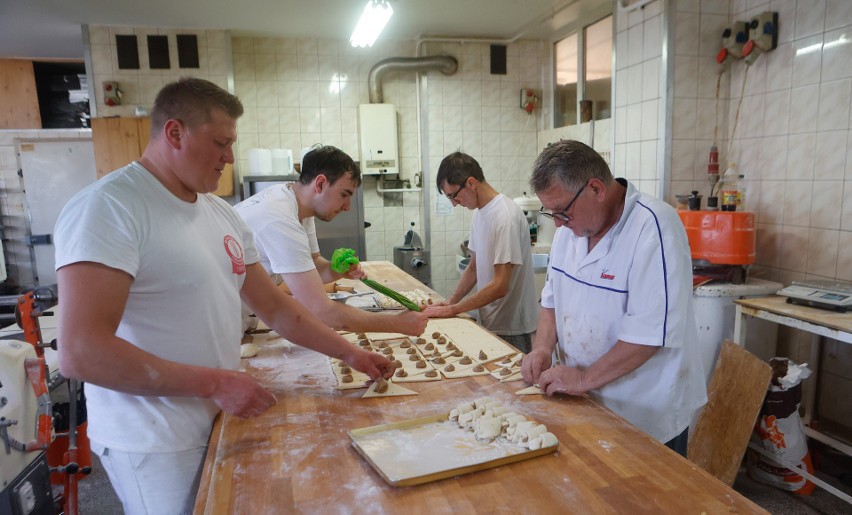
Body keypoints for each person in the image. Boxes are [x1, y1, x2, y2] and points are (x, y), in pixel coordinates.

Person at [54, 78, 395, 515]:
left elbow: (276, 309)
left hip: (217, 418)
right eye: (220, 142)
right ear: (175, 133)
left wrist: (352, 355)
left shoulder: (219, 213)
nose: (229, 157)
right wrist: (215, 382)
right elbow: (82, 352)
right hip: (155, 440)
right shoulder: (111, 207)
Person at [520, 140, 707, 456]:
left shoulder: (654, 226)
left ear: (596, 189)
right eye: (551, 213)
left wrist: (582, 378)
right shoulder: (569, 231)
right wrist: (541, 347)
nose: (557, 224)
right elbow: (552, 301)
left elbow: (649, 336)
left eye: (563, 212)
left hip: (643, 414)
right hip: (584, 400)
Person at [234, 145, 428, 336]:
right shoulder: (279, 219)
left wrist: (338, 270)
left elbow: (314, 266)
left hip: (241, 317)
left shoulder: (297, 206)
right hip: (222, 321)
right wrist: (397, 323)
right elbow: (322, 310)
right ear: (320, 184)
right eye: (344, 195)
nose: (347, 207)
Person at [423, 152, 538, 353]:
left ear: (471, 183)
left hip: (512, 327)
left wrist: (455, 310)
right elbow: (474, 267)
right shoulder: (479, 213)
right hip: (491, 320)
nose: (454, 203)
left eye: (453, 196)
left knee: (513, 383)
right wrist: (451, 301)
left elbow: (500, 286)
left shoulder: (505, 217)